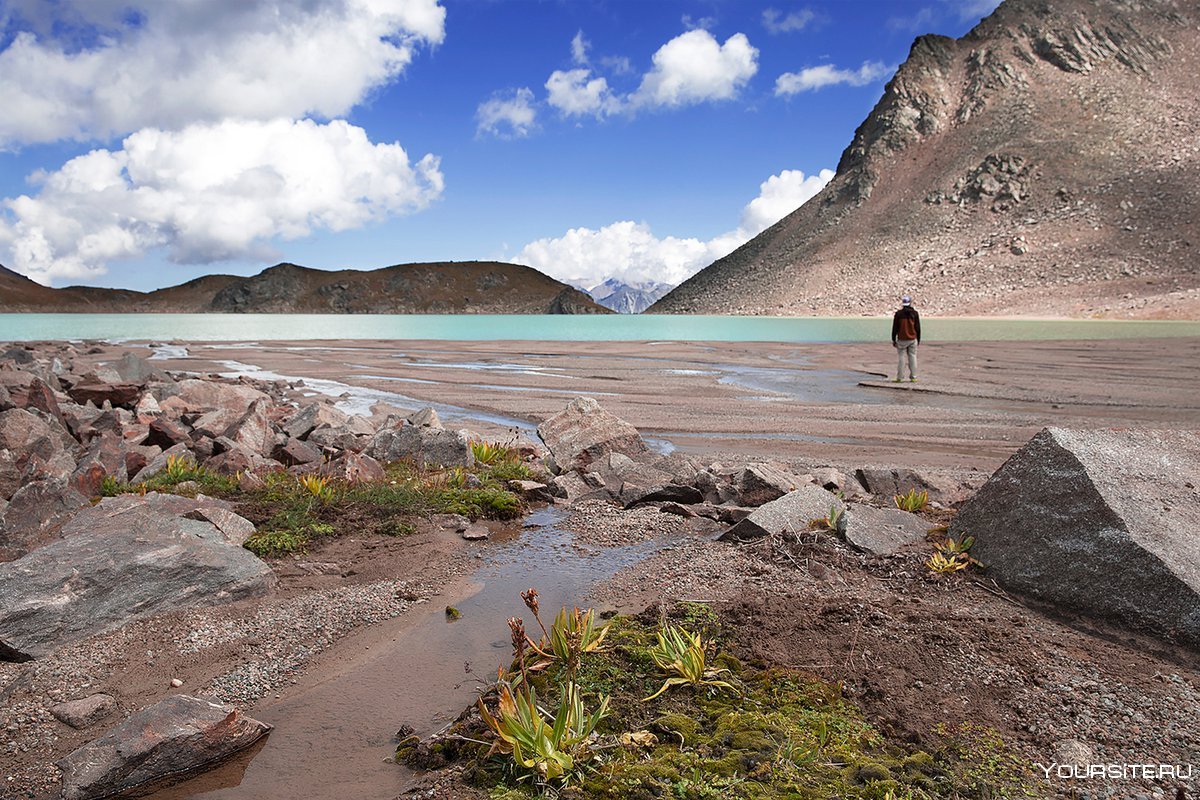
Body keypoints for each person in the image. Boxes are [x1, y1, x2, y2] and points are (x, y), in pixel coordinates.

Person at [891, 296, 921, 382]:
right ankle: (914, 377)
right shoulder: (915, 313)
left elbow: (895, 328)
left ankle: (900, 378)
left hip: (901, 339)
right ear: (910, 302)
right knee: (913, 357)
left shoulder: (898, 314)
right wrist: (918, 339)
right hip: (912, 338)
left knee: (901, 357)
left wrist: (893, 339)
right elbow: (917, 327)